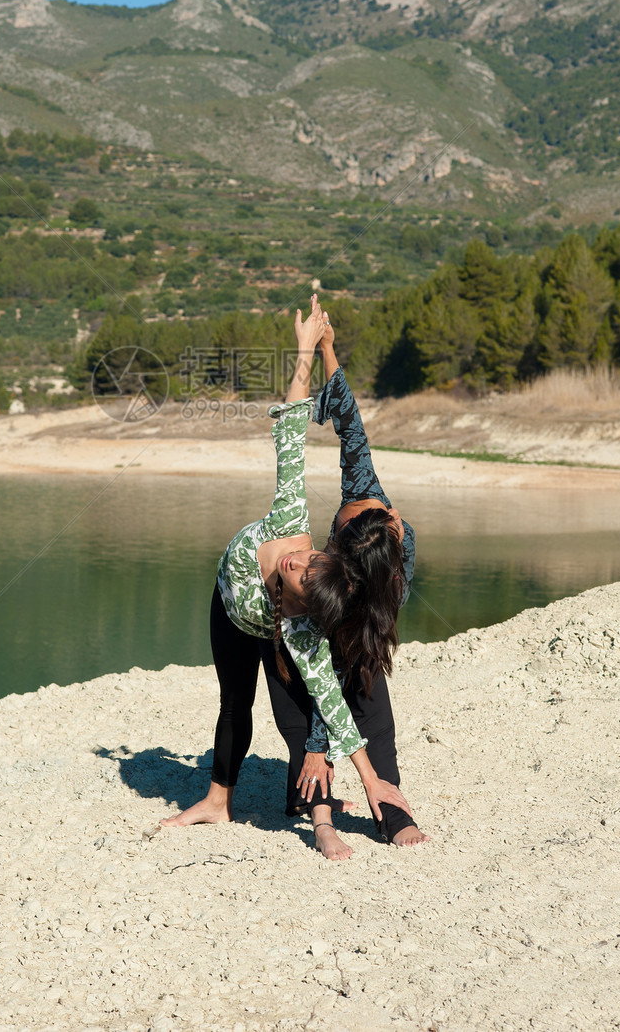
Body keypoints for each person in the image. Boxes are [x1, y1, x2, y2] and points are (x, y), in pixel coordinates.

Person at [162, 294, 413, 855]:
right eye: (309, 559)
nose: (296, 560)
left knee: (296, 712)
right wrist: (307, 351)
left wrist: (374, 783)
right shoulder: (292, 524)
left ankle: (322, 812)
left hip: (261, 625)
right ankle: (217, 801)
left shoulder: (300, 632)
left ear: (300, 604)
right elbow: (291, 432)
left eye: (300, 572)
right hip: (227, 605)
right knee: (233, 702)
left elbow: (337, 707)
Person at [257, 317, 429, 856]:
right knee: (303, 694)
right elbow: (350, 424)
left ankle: (390, 808)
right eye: (355, 511)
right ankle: (313, 806)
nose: (356, 509)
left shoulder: (387, 577)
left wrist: (324, 746)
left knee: (369, 694)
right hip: (306, 626)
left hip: (358, 624)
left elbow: (341, 665)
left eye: (379, 514)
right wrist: (329, 350)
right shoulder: (365, 495)